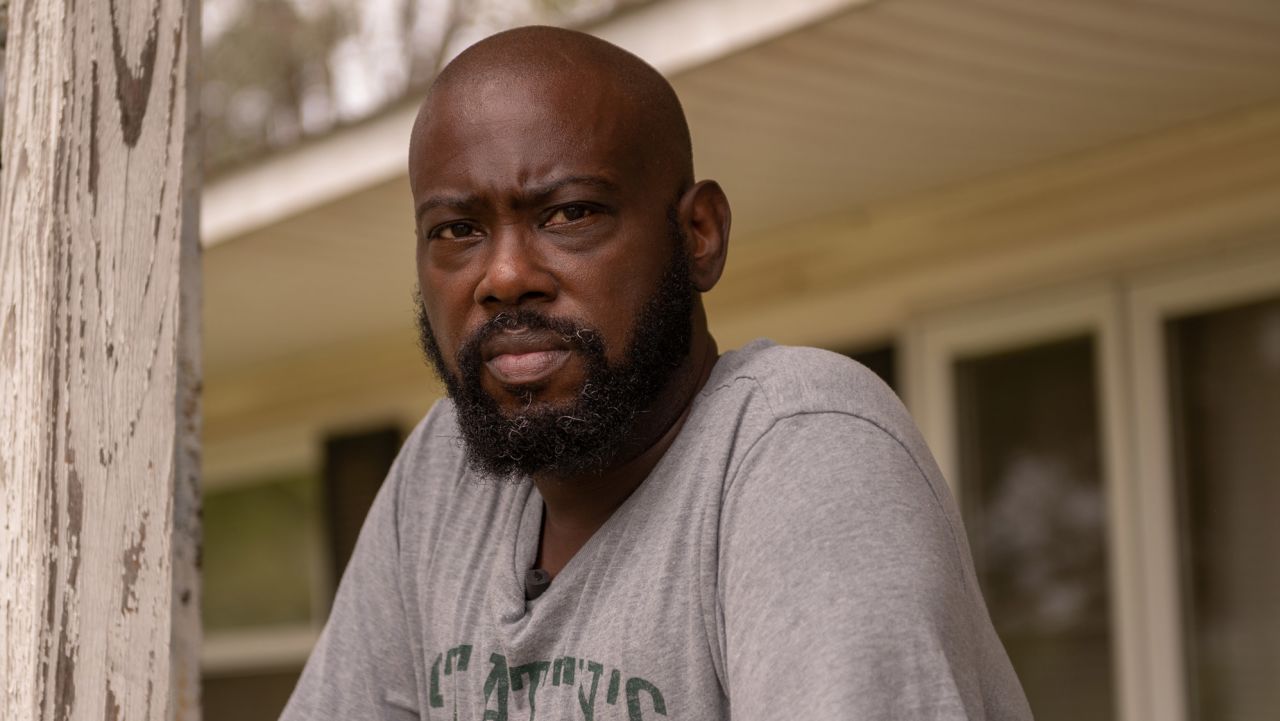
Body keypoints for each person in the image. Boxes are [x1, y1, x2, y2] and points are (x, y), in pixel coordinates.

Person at [281, 25, 1031, 721]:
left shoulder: (802, 448)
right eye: (457, 231)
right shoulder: (441, 476)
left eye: (569, 214)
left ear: (698, 234)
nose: (504, 275)